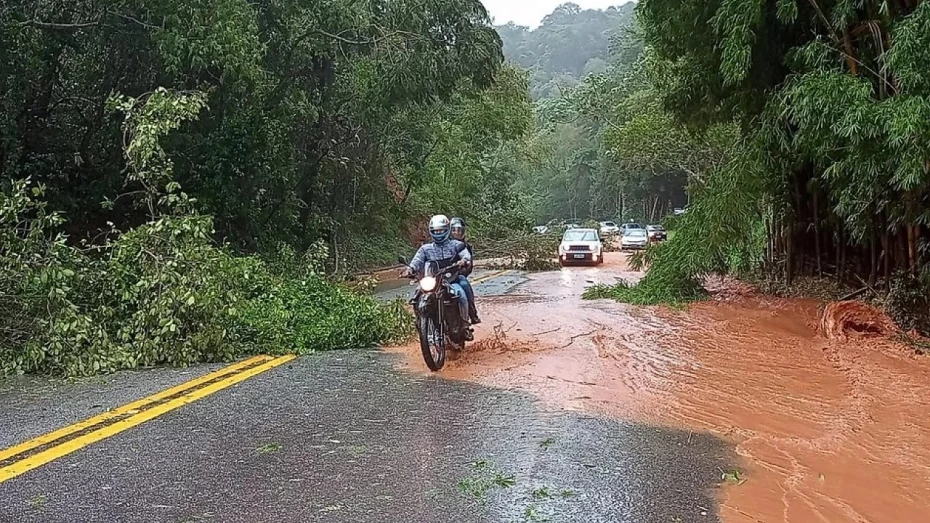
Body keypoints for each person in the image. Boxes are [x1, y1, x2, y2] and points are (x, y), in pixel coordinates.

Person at [401, 215, 474, 337]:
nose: (438, 233)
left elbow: (465, 255)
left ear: (447, 229)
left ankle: (465, 325)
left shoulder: (456, 245)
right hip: (432, 280)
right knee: (416, 297)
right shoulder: (425, 249)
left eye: (441, 230)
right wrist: (410, 269)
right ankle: (420, 323)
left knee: (460, 294)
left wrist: (464, 261)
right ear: (431, 231)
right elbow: (417, 261)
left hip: (451, 280)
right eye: (436, 231)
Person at [450, 217, 480, 324]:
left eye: (459, 230)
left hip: (457, 276)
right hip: (441, 276)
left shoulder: (464, 247)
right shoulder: (442, 244)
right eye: (454, 230)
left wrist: (463, 265)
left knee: (464, 283)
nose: (456, 233)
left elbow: (469, 263)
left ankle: (472, 313)